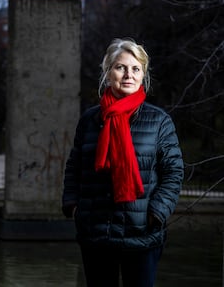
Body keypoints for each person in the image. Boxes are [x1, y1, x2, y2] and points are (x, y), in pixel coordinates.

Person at [62, 38, 184, 287]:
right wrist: (74, 206)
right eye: (121, 67)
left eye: (135, 69)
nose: (129, 74)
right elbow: (75, 166)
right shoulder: (89, 120)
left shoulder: (159, 121)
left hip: (142, 235)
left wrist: (156, 214)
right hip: (96, 233)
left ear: (143, 75)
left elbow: (173, 172)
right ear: (108, 73)